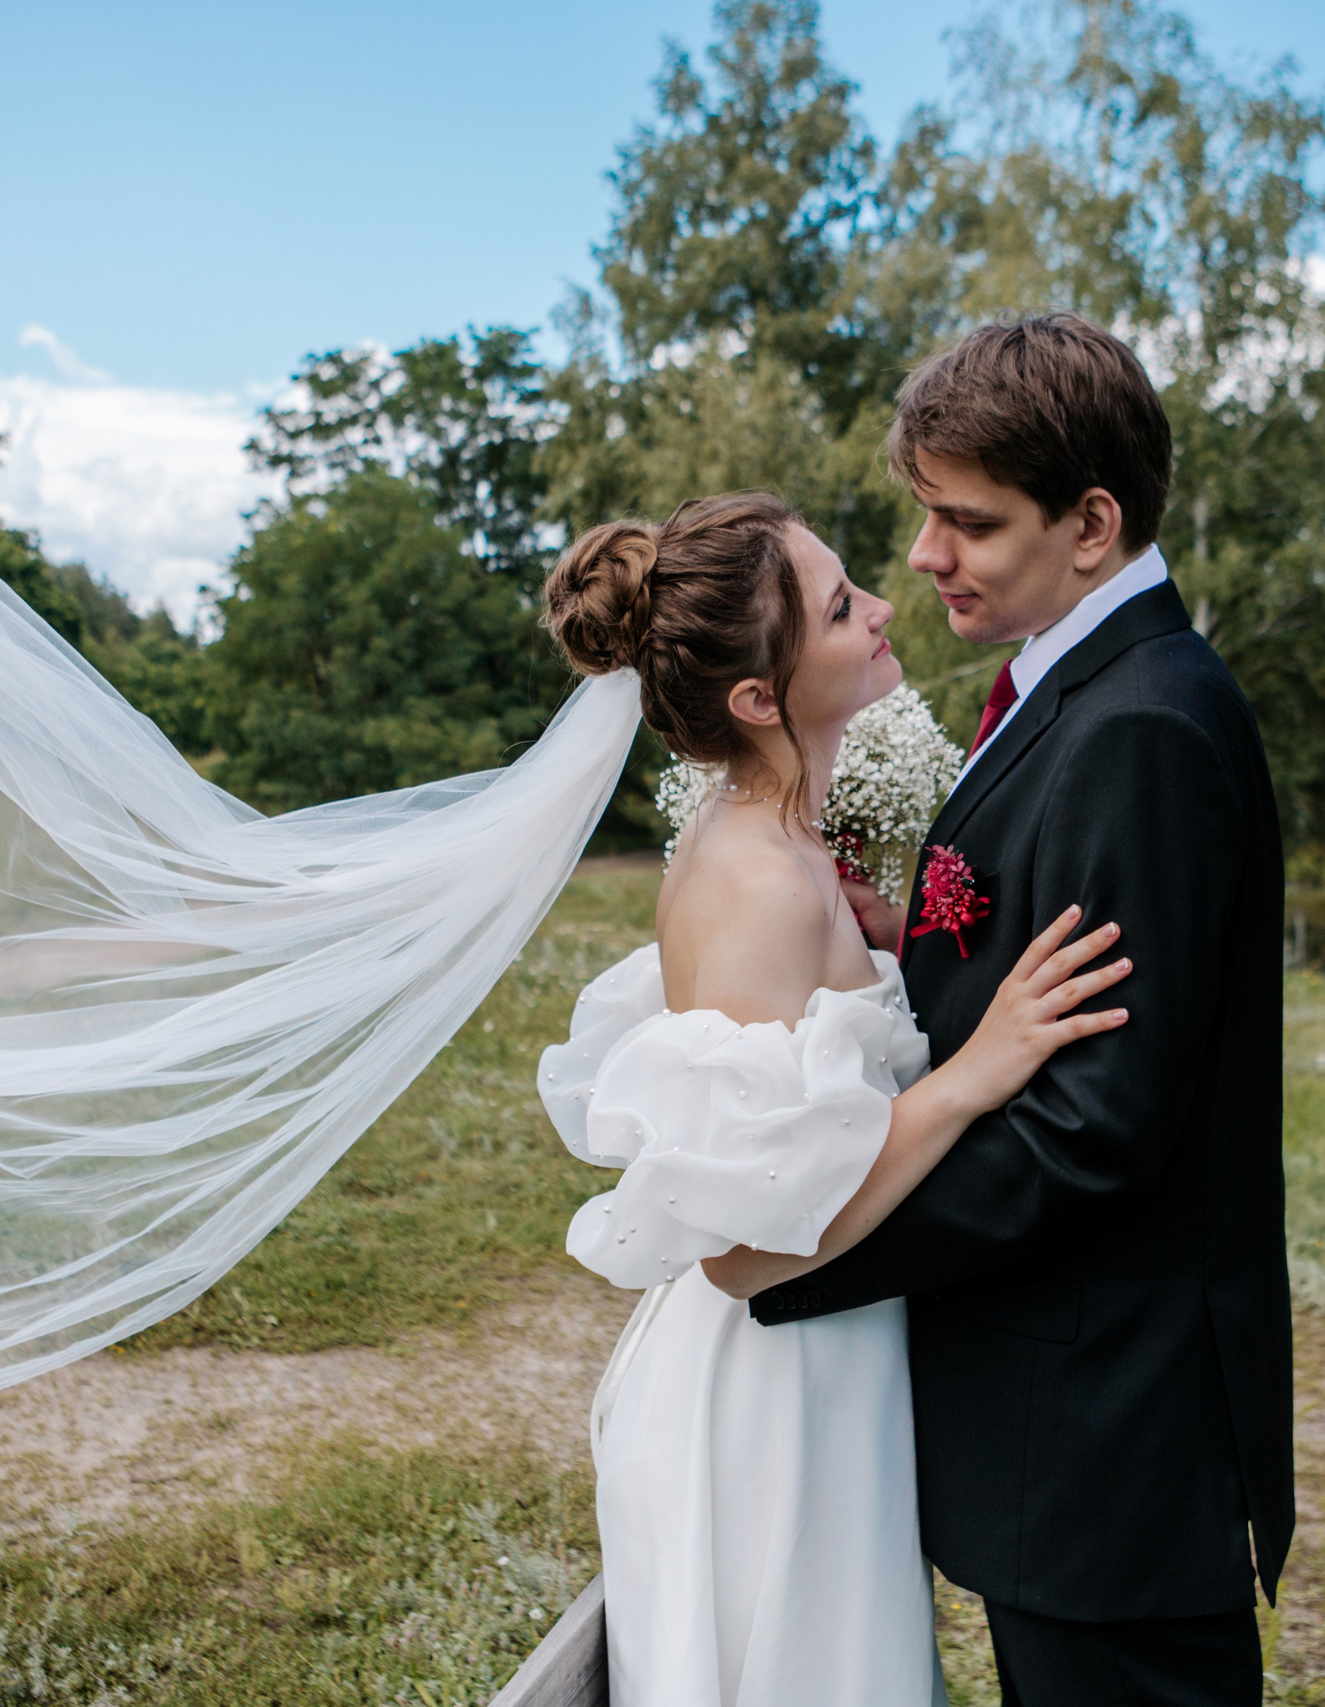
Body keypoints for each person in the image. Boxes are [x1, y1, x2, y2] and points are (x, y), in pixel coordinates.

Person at [705, 314, 1295, 1707]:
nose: (923, 557)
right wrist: (910, 947)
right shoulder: (1068, 683)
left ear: (1091, 522)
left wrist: (802, 1243)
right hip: (1065, 1421)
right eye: (925, 515)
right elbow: (1053, 968)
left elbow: (1095, 1123)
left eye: (965, 522)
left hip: (1112, 1438)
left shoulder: (1142, 723)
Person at [536, 491, 1135, 1705]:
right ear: (759, 699)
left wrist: (894, 948)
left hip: (831, 1374)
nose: (881, 608)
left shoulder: (791, 848)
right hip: (770, 1408)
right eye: (841, 606)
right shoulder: (756, 881)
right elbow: (746, 1254)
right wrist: (973, 1074)